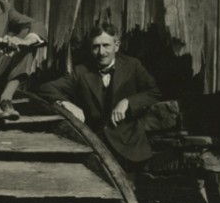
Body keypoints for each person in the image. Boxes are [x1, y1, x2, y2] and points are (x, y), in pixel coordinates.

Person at [37, 23, 163, 165]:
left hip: (128, 146)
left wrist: (128, 102)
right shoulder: (81, 71)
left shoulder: (132, 66)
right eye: (96, 47)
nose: (101, 52)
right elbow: (46, 88)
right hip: (95, 144)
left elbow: (155, 92)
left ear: (117, 45)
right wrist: (65, 103)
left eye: (106, 45)